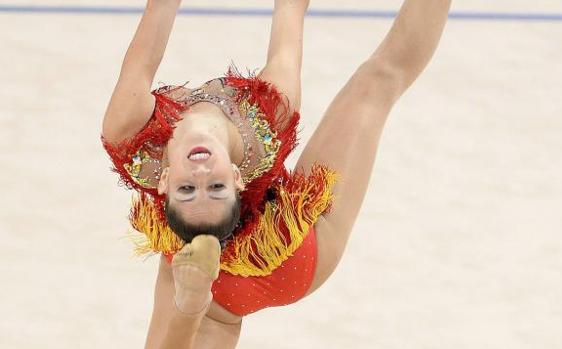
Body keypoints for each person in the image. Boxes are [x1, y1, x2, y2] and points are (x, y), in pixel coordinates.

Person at [101, 0, 451, 348]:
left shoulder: (132, 137)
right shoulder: (269, 120)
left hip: (203, 271)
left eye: (188, 188)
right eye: (216, 186)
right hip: (291, 260)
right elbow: (292, 8)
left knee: (188, 260)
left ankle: (194, 302)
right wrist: (190, 309)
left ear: (164, 182)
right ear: (238, 178)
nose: (202, 171)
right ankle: (193, 307)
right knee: (377, 82)